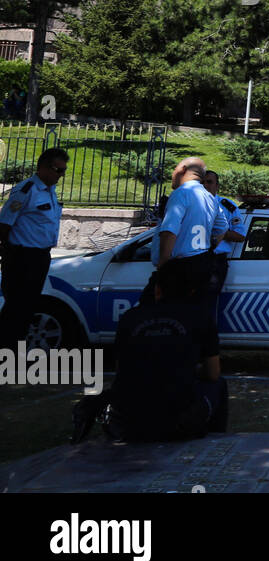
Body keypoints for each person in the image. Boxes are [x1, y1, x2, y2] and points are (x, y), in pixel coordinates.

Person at [72, 261, 227, 443]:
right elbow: (213, 373)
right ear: (193, 291)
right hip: (177, 421)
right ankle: (215, 440)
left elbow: (122, 369)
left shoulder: (130, 317)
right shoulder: (201, 317)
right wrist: (189, 369)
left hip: (127, 419)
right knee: (219, 385)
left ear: (157, 289)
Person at [0, 147, 68, 348]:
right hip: (22, 258)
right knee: (16, 309)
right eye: (58, 170)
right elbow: (4, 224)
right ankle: (6, 351)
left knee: (28, 308)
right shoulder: (26, 190)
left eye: (64, 170)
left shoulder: (50, 191)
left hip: (40, 257)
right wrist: (9, 254)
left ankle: (14, 351)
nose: (61, 175)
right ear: (44, 168)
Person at [151, 157, 227, 304]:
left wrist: (162, 269)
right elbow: (222, 227)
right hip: (202, 264)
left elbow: (169, 232)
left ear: (182, 169)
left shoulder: (181, 193)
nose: (172, 174)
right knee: (191, 313)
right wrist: (210, 247)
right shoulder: (210, 197)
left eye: (174, 169)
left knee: (158, 312)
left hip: (178, 270)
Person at [201, 170, 246, 328]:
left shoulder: (227, 206)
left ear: (217, 186)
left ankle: (207, 339)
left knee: (208, 304)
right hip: (191, 259)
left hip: (215, 261)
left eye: (209, 182)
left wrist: (218, 231)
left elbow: (240, 236)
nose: (205, 185)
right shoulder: (190, 205)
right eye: (202, 182)